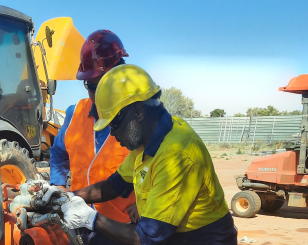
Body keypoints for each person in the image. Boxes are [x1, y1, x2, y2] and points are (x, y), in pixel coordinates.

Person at [60, 64, 237, 245]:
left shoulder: (175, 155)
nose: (112, 134)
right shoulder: (147, 141)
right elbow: (116, 185)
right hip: (174, 236)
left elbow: (147, 238)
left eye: (114, 124)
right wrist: (68, 197)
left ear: (138, 112)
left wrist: (90, 219)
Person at [50, 30, 138, 244]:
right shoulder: (75, 113)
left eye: (105, 85)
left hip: (121, 227)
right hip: (77, 221)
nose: (98, 95)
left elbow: (154, 167)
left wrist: (145, 201)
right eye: (92, 86)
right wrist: (59, 185)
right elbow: (58, 153)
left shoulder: (138, 119)